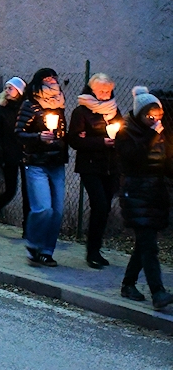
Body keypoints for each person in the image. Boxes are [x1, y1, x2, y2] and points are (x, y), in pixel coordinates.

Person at [115, 87, 173, 310]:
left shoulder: (158, 134)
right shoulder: (126, 132)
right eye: (151, 116)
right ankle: (158, 292)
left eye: (158, 116)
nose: (155, 120)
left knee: (144, 244)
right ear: (140, 114)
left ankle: (128, 284)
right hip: (135, 193)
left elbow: (164, 162)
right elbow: (134, 158)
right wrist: (152, 135)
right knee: (149, 246)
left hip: (155, 194)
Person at [68, 73, 122, 269]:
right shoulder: (81, 112)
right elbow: (74, 140)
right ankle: (92, 251)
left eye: (108, 91)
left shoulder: (114, 110)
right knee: (99, 204)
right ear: (92, 90)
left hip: (110, 166)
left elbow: (122, 132)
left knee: (105, 207)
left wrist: (118, 140)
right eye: (101, 91)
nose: (106, 95)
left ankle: (96, 248)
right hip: (90, 166)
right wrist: (101, 141)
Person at [15, 68, 68, 266]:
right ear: (38, 82)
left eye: (54, 77)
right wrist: (38, 137)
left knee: (57, 211)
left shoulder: (59, 104)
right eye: (47, 78)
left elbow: (62, 133)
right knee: (43, 208)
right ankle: (33, 242)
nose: (51, 80)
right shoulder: (30, 105)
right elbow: (19, 133)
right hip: (36, 162)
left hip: (56, 162)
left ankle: (47, 251)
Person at [0, 76, 29, 235]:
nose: (7, 90)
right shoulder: (2, 110)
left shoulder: (25, 108)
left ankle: (27, 226)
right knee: (11, 190)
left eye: (10, 88)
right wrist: (0, 154)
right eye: (6, 88)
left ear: (19, 91)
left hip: (25, 154)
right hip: (8, 155)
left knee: (28, 191)